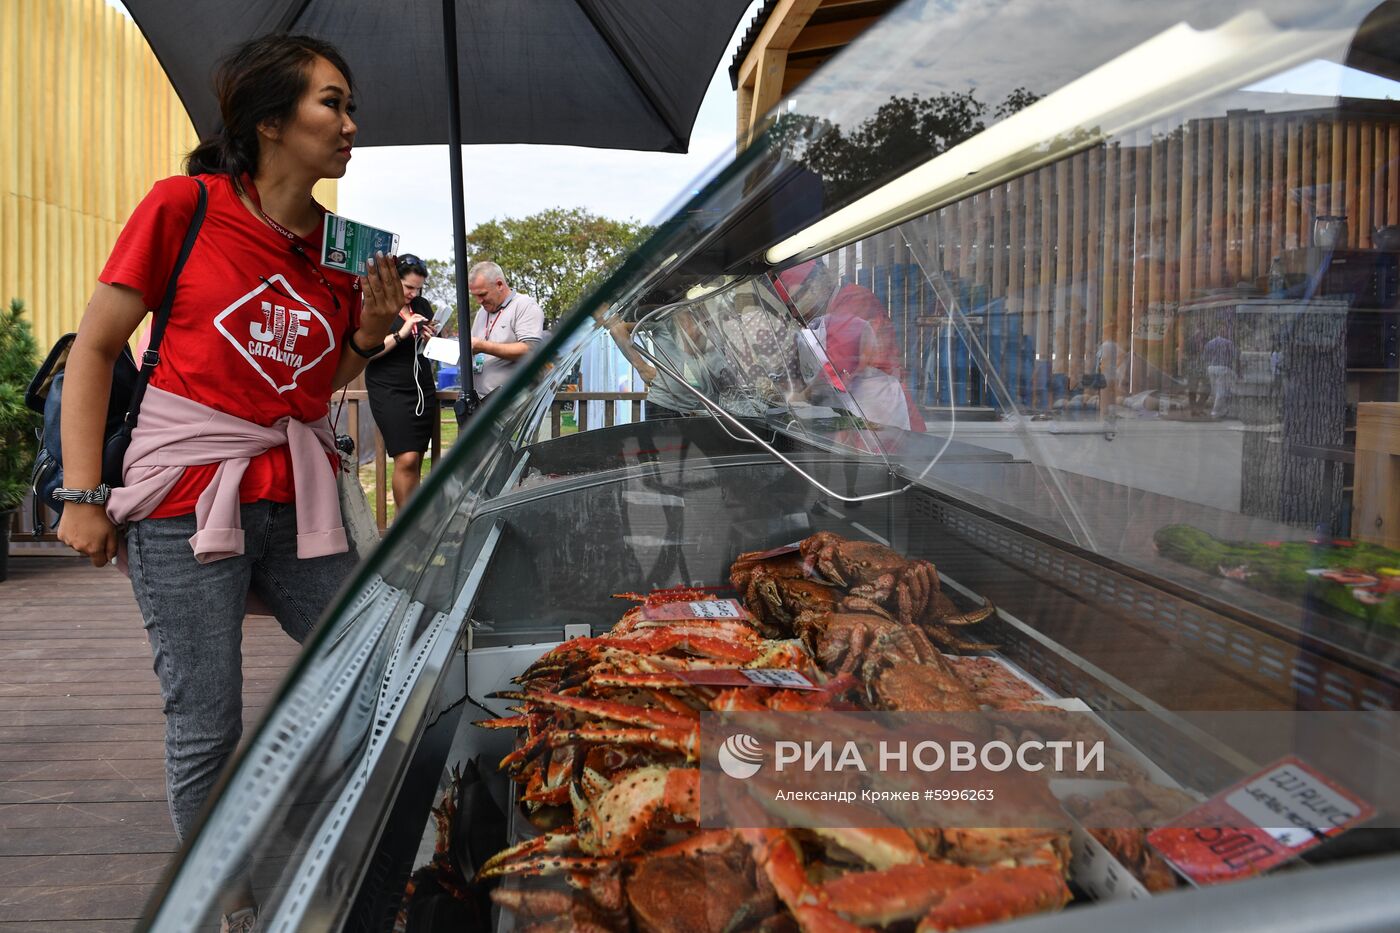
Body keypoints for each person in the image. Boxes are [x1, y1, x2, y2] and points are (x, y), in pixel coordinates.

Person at [53, 34, 403, 930]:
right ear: (269, 121)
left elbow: (312, 390)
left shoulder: (350, 247)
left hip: (297, 497)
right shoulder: (186, 206)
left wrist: (364, 334)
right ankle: (230, 900)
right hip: (181, 497)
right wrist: (84, 495)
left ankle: (310, 850)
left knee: (373, 672)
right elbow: (96, 347)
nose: (351, 125)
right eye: (332, 103)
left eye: (350, 105)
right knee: (206, 720)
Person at [777, 259, 925, 434]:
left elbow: (839, 363)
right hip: (850, 415)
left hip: (881, 411)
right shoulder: (816, 321)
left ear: (817, 284)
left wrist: (802, 396)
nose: (794, 312)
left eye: (796, 301)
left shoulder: (855, 300)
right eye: (790, 307)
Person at [364, 253, 439, 509]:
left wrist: (430, 336)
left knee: (416, 457)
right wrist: (401, 333)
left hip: (421, 385)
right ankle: (406, 526)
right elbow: (368, 350)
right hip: (388, 387)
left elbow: (427, 347)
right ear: (394, 280)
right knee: (405, 458)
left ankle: (410, 519)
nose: (413, 294)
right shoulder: (377, 306)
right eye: (409, 287)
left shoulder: (422, 305)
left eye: (418, 288)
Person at [467, 260, 545, 401]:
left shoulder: (524, 306)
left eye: (483, 294)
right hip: (480, 401)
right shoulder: (482, 312)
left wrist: (482, 346)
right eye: (475, 296)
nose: (479, 301)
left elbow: (530, 350)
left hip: (511, 405)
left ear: (499, 285)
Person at [1202, 323, 1240, 418]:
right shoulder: (1228, 343)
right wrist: (1239, 372)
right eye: (1226, 330)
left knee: (1215, 390)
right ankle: (1216, 411)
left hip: (1211, 368)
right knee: (1221, 391)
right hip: (1223, 368)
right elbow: (1236, 357)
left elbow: (1205, 357)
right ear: (1225, 332)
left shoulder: (1210, 343)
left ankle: (1222, 410)